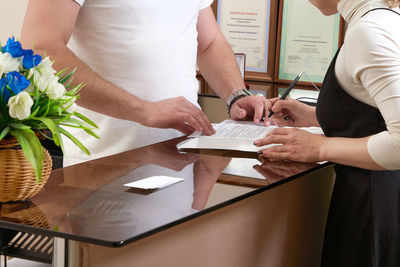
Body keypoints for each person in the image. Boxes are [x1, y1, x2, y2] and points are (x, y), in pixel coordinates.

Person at [20, 0, 270, 166]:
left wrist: (237, 95)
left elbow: (208, 43)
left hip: (182, 161)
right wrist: (144, 110)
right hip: (105, 166)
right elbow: (39, 47)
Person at [255, 0, 400, 265]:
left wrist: (318, 147)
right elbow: (376, 111)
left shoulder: (369, 31)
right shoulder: (383, 18)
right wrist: (317, 116)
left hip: (370, 212)